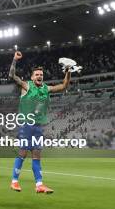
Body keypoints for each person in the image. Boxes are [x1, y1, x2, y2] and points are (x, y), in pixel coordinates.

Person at [9, 51, 71, 193]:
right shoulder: (27, 86)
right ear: (32, 77)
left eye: (41, 75)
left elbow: (64, 86)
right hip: (26, 125)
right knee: (23, 153)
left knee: (37, 156)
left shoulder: (46, 89)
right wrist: (14, 60)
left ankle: (39, 185)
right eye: (37, 74)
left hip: (38, 127)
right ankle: (14, 181)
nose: (39, 76)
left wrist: (68, 70)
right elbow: (12, 76)